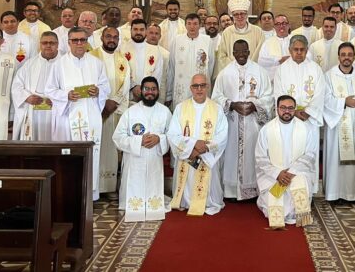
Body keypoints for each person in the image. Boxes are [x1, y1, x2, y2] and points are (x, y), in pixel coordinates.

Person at [46, 27, 110, 200]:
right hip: (68, 117)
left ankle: (91, 194)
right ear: (68, 42)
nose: (79, 43)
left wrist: (98, 91)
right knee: (70, 156)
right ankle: (68, 193)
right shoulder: (59, 64)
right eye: (75, 40)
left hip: (91, 115)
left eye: (83, 40)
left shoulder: (96, 63)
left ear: (87, 41)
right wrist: (65, 95)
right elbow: (49, 90)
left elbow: (106, 87)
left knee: (92, 153)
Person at [212, 40, 273, 201]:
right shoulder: (224, 73)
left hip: (253, 124)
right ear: (233, 53)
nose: (240, 55)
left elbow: (269, 97)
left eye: (244, 51)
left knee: (253, 154)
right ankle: (231, 191)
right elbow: (216, 97)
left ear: (248, 51)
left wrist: (255, 105)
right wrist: (231, 104)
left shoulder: (260, 72)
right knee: (231, 155)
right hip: (232, 123)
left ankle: (251, 191)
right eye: (237, 52)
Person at [168, 74, 228, 216]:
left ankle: (207, 202)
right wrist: (192, 147)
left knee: (209, 189)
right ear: (191, 88)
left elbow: (223, 135)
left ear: (208, 87)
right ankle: (185, 201)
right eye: (196, 86)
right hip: (187, 157)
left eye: (202, 85)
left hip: (207, 158)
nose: (199, 89)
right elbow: (172, 134)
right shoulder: (180, 108)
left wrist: (205, 147)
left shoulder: (217, 109)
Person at [273, 35, 326, 192]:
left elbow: (320, 93)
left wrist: (308, 112)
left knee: (308, 153)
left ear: (307, 50)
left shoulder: (315, 69)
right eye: (295, 49)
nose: (298, 52)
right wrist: (293, 112)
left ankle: (309, 190)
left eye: (302, 49)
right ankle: (287, 188)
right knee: (290, 153)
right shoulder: (282, 70)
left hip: (309, 121)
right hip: (289, 120)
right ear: (289, 50)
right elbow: (279, 93)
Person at [113, 76, 171, 221]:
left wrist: (159, 138)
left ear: (158, 91)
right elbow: (117, 138)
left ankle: (153, 203)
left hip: (154, 161)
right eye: (146, 89)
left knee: (153, 195)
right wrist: (139, 141)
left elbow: (173, 136)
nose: (149, 92)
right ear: (141, 91)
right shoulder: (130, 112)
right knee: (133, 199)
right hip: (134, 161)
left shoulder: (165, 112)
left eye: (153, 89)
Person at [255, 95, 316, 228]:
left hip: (297, 173)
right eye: (283, 108)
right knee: (275, 203)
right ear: (277, 109)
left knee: (300, 183)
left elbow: (310, 154)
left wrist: (292, 172)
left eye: (290, 108)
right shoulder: (266, 129)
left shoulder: (306, 129)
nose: (286, 111)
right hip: (273, 176)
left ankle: (296, 213)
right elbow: (260, 158)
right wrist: (278, 173)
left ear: (295, 109)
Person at [90, 26, 131, 195]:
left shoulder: (123, 60)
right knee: (96, 147)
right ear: (101, 38)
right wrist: (102, 103)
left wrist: (114, 102)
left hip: (114, 109)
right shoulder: (91, 57)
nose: (112, 39)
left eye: (115, 37)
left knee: (112, 149)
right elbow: (89, 82)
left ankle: (109, 187)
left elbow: (126, 83)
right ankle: (94, 186)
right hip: (96, 110)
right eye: (108, 36)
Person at [323, 43, 355, 202]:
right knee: (336, 160)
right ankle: (336, 193)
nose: (346, 57)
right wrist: (343, 102)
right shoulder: (329, 76)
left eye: (349, 54)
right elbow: (325, 99)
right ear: (338, 57)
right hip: (338, 124)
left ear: (354, 57)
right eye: (343, 54)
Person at [12, 32, 60, 141]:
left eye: (52, 43)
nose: (48, 45)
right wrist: (27, 97)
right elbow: (16, 86)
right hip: (33, 112)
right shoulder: (29, 64)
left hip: (56, 112)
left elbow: (71, 87)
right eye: (44, 43)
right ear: (40, 44)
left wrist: (58, 99)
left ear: (57, 44)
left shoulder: (65, 63)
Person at [169, 14, 215, 109]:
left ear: (199, 25)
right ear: (185, 25)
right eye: (189, 24)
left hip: (201, 85)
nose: (192, 27)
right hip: (182, 85)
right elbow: (172, 65)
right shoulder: (177, 40)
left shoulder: (207, 41)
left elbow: (211, 64)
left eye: (195, 24)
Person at [122, 19, 169, 105]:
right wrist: (133, 87)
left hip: (148, 96)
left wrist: (147, 90)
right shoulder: (122, 49)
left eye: (141, 29)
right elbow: (120, 73)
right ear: (130, 30)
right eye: (135, 29)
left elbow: (157, 74)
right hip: (127, 96)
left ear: (146, 31)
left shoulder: (155, 51)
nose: (138, 32)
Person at [215, 0, 264, 76]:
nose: (239, 17)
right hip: (232, 73)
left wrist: (249, 67)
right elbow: (222, 56)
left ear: (247, 14)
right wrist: (235, 68)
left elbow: (261, 53)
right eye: (236, 14)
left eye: (242, 13)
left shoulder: (258, 31)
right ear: (232, 16)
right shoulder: (227, 32)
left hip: (253, 73)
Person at [257, 13, 291, 79]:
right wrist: (279, 60)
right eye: (278, 24)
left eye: (284, 23)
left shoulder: (296, 41)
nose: (281, 26)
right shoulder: (267, 43)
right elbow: (261, 61)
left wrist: (292, 59)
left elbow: (307, 56)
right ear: (274, 26)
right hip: (274, 82)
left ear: (288, 25)